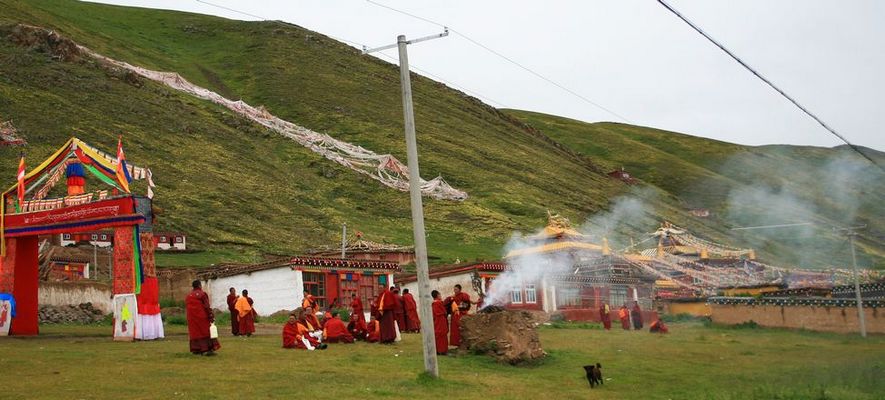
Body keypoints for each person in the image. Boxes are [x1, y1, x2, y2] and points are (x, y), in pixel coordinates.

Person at [185, 280, 220, 355]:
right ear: (199, 286)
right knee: (205, 332)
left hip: (191, 318)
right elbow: (207, 306)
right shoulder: (202, 294)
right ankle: (205, 349)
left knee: (195, 333)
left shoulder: (188, 296)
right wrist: (211, 315)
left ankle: (196, 349)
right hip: (202, 317)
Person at [431, 290, 449, 355]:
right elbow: (444, 312)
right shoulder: (439, 302)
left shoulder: (433, 303)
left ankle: (438, 350)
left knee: (438, 335)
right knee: (442, 335)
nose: (440, 296)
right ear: (437, 295)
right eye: (440, 295)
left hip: (436, 321)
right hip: (441, 320)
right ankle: (443, 350)